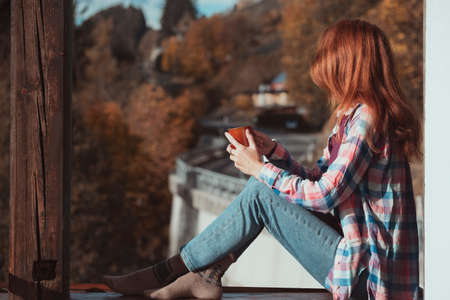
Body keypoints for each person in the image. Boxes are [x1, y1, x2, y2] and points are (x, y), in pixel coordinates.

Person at [103, 19, 421, 300]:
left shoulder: (367, 118)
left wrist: (260, 169)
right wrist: (273, 153)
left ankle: (173, 271)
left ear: (346, 66)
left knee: (260, 191)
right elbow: (318, 180)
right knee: (262, 189)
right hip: (363, 265)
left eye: (328, 68)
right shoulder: (351, 119)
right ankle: (203, 275)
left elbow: (325, 196)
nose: (325, 80)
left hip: (369, 278)